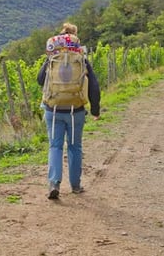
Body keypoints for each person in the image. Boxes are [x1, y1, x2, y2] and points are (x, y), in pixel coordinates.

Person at [37, 22, 101, 199]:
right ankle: (75, 186)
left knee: (55, 146)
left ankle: (54, 183)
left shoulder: (52, 58)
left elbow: (40, 80)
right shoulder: (81, 60)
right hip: (76, 111)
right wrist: (95, 110)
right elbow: (94, 87)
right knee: (74, 147)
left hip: (53, 110)